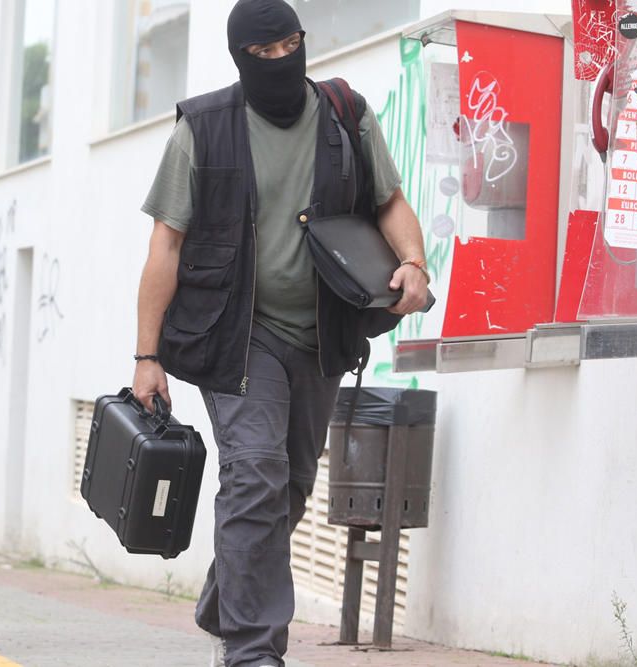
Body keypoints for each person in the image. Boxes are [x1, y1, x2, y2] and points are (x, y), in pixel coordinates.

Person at [132, 2, 430, 666]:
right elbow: (165, 245)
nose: (280, 62)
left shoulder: (344, 115)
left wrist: (413, 260)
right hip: (237, 335)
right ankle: (253, 648)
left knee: (289, 483)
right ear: (241, 59)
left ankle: (224, 604)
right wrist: (146, 356)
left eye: (290, 46)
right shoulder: (203, 129)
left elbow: (388, 200)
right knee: (256, 473)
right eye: (263, 54)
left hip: (321, 333)